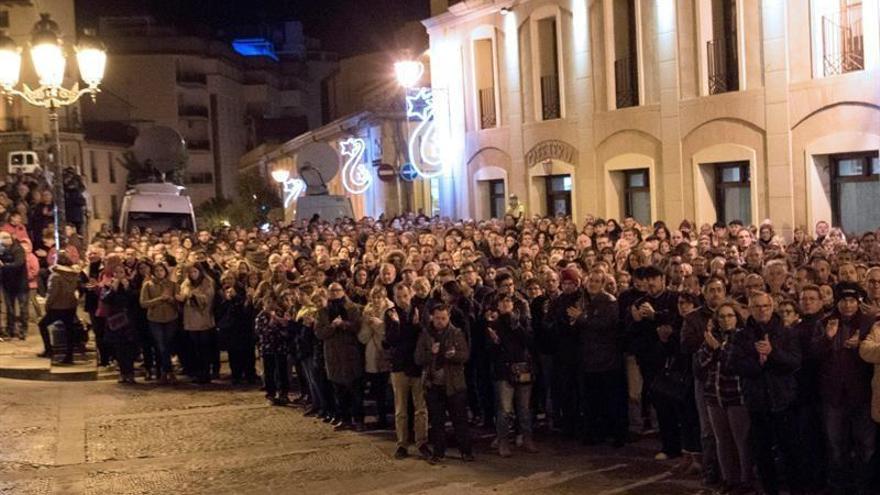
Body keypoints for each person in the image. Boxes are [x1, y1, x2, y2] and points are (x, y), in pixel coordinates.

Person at [725, 291, 804, 495]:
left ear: (772, 307)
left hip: (783, 400)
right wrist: (758, 363)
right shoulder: (742, 335)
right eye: (757, 306)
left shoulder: (786, 333)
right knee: (762, 452)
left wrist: (772, 353)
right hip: (757, 402)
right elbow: (733, 364)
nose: (762, 310)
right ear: (750, 309)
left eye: (766, 306)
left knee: (791, 450)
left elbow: (795, 362)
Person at [811, 282, 875, 493]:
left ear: (858, 302)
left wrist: (862, 345)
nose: (847, 305)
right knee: (836, 445)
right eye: (843, 301)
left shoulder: (869, 323)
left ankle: (863, 486)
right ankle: (840, 486)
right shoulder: (825, 323)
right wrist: (828, 339)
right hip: (833, 396)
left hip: (861, 394)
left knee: (865, 445)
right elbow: (814, 355)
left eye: (851, 301)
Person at [697, 302, 753, 493]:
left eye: (730, 316)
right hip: (715, 394)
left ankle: (746, 480)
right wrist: (712, 347)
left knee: (742, 440)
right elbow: (701, 363)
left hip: (736, 394)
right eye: (722, 316)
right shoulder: (712, 338)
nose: (726, 320)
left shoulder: (743, 337)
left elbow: (734, 363)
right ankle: (729, 478)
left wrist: (719, 349)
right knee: (722, 439)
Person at [415, 304, 474, 463]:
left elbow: (465, 355)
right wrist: (431, 353)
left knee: (459, 420)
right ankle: (438, 452)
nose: (440, 321)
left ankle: (466, 451)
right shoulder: (426, 334)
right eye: (437, 318)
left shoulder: (456, 333)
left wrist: (453, 355)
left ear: (448, 318)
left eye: (443, 318)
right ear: (432, 317)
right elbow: (418, 358)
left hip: (454, 384)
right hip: (433, 385)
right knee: (437, 421)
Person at [576, 269, 627, 448]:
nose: (593, 284)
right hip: (589, 359)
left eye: (597, 281)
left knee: (610, 398)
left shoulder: (609, 301)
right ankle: (596, 433)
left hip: (606, 359)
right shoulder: (584, 300)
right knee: (593, 399)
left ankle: (616, 434)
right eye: (591, 281)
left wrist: (581, 318)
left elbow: (607, 325)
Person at [486, 292, 537, 457]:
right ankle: (503, 441)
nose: (506, 304)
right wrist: (494, 342)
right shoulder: (493, 325)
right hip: (503, 371)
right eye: (502, 302)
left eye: (508, 301)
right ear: (497, 306)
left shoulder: (521, 321)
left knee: (524, 408)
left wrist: (517, 326)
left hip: (522, 369)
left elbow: (530, 342)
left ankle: (527, 438)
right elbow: (489, 352)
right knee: (505, 410)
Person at [384, 282, 431, 459]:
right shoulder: (390, 314)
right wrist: (397, 325)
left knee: (421, 408)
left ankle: (422, 442)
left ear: (410, 294)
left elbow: (424, 334)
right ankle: (402, 444)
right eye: (398, 297)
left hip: (417, 365)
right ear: (394, 298)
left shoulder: (419, 310)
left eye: (405, 296)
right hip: (399, 366)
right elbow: (390, 341)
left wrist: (415, 326)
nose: (403, 300)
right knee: (401, 409)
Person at [316, 282, 365, 432]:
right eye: (332, 291)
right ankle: (345, 419)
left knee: (355, 389)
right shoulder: (323, 311)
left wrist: (343, 324)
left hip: (351, 354)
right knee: (339, 389)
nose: (335, 293)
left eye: (337, 290)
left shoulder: (354, 308)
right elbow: (319, 333)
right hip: (333, 355)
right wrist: (332, 326)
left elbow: (358, 327)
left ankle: (358, 419)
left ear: (343, 291)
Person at [358, 285, 393, 429]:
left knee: (386, 387)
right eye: (374, 297)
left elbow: (389, 334)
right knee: (377, 387)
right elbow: (362, 337)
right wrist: (368, 327)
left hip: (385, 352)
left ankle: (388, 416)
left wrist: (378, 326)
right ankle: (381, 416)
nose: (377, 300)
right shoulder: (367, 312)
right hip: (372, 353)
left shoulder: (390, 310)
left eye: (379, 297)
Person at [139, 263, 179, 384]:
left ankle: (166, 372)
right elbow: (143, 303)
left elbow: (179, 302)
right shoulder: (148, 285)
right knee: (161, 346)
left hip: (171, 318)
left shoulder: (172, 285)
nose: (159, 272)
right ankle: (167, 371)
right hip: (155, 319)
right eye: (156, 270)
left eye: (161, 270)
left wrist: (171, 299)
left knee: (168, 345)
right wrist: (159, 299)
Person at [177, 263, 216, 384]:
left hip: (203, 319)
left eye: (195, 272)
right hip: (191, 320)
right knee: (195, 348)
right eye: (190, 272)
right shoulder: (186, 283)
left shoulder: (207, 282)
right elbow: (182, 295)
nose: (192, 274)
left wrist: (194, 296)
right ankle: (197, 372)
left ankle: (205, 373)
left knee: (204, 347)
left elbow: (207, 298)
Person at [101, 263, 140, 384]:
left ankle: (130, 373)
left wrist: (127, 288)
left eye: (121, 272)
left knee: (130, 347)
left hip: (129, 321)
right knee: (119, 347)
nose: (118, 275)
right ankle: (123, 373)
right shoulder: (109, 286)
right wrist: (113, 289)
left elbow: (135, 299)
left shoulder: (131, 285)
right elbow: (105, 300)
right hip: (116, 321)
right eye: (116, 273)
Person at [40, 252, 81, 362]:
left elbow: (52, 293)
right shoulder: (74, 274)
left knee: (42, 324)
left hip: (57, 306)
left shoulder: (55, 276)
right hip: (70, 305)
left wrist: (47, 305)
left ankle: (48, 349)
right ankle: (69, 355)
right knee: (69, 330)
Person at [255, 297, 290, 405]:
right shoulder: (260, 316)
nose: (270, 305)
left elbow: (286, 328)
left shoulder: (281, 313)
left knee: (282, 371)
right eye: (268, 302)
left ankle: (283, 394)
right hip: (267, 348)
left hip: (280, 347)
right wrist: (271, 323)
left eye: (272, 302)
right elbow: (260, 331)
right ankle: (271, 394)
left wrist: (278, 321)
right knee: (269, 372)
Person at [0, 231, 28, 340]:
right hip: (8, 284)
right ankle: (10, 330)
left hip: (20, 284)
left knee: (22, 308)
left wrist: (4, 265)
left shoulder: (18, 249)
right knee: (9, 309)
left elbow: (18, 264)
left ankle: (22, 330)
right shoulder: (2, 249)